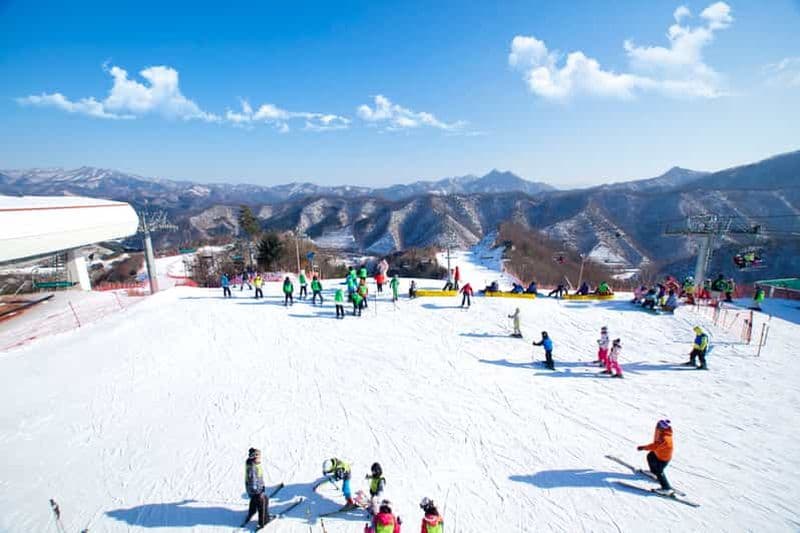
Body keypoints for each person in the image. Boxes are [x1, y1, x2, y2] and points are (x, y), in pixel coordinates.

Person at [636, 419, 674, 494]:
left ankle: (666, 488)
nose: (656, 426)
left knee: (659, 471)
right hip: (658, 453)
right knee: (650, 456)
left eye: (658, 425)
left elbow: (654, 446)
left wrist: (643, 447)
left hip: (664, 458)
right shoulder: (662, 431)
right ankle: (653, 473)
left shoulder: (664, 438)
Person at [242, 448, 269, 528]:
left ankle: (252, 511)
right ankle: (263, 521)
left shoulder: (252, 463)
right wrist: (259, 492)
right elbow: (253, 480)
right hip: (256, 489)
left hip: (252, 489)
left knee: (254, 500)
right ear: (255, 456)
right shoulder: (253, 467)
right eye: (259, 456)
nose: (260, 458)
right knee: (264, 501)